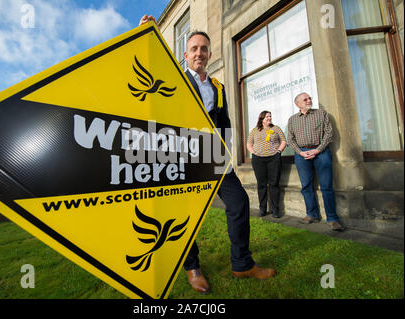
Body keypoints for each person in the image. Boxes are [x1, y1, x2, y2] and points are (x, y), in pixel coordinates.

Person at [139, 15, 276, 294]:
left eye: (203, 48)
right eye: (194, 49)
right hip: (183, 157)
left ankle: (242, 264)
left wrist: (227, 151)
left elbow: (223, 121)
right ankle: (192, 267)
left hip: (214, 156)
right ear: (185, 54)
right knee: (182, 216)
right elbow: (151, 70)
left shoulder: (219, 87)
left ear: (210, 53)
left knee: (238, 202)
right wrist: (146, 38)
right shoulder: (173, 78)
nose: (199, 53)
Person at [287, 92, 345, 231]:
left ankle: (332, 218)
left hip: (321, 153)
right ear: (297, 104)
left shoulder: (321, 114)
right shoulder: (292, 119)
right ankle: (311, 214)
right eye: (305, 99)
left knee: (326, 186)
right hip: (301, 154)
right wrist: (300, 152)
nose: (309, 100)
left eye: (309, 98)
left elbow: (329, 133)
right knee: (306, 186)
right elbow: (290, 139)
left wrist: (318, 150)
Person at [247, 111, 286, 218]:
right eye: (267, 116)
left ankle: (275, 210)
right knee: (261, 184)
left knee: (274, 184)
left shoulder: (276, 128)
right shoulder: (255, 130)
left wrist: (278, 151)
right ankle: (262, 209)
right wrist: (253, 152)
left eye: (270, 116)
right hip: (258, 160)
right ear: (262, 119)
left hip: (274, 159)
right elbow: (249, 143)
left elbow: (283, 141)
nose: (269, 118)